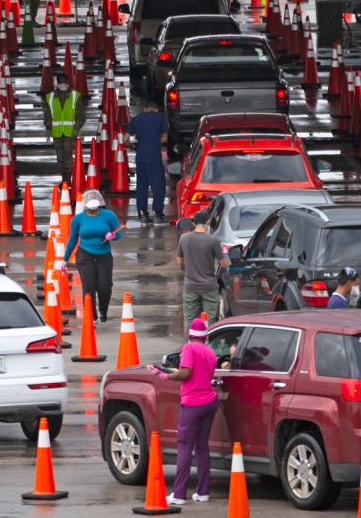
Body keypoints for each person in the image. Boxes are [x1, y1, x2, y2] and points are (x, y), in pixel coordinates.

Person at [155, 318, 219, 507]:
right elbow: (200, 373)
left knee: (184, 447)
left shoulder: (189, 348)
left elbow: (186, 373)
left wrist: (165, 375)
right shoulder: (210, 352)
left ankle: (179, 494)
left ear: (190, 335)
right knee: (202, 447)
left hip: (192, 404)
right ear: (205, 336)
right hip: (210, 402)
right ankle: (203, 491)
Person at [64, 189, 121, 323]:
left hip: (104, 256)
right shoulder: (78, 219)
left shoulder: (109, 215)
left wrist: (112, 236)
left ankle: (103, 310)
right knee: (89, 288)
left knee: (105, 287)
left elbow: (118, 233)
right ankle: (92, 316)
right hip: (84, 256)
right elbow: (72, 239)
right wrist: (64, 259)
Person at [176, 212, 230, 325]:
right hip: (209, 286)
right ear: (208, 222)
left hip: (190, 285)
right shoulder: (213, 241)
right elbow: (224, 264)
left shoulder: (184, 238)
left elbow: (179, 261)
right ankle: (207, 341)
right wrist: (226, 255)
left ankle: (190, 342)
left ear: (193, 223)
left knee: (189, 321)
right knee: (210, 320)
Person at [126, 100, 168, 223]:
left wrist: (134, 145)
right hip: (154, 157)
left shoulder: (137, 119)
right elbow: (164, 138)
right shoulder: (160, 118)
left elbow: (125, 138)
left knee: (142, 186)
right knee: (158, 186)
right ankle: (158, 214)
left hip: (140, 158)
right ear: (156, 109)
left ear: (145, 109)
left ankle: (143, 214)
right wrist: (155, 142)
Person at [43, 73, 85, 182]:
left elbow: (80, 115)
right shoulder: (50, 97)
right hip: (56, 133)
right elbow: (47, 115)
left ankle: (68, 179)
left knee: (68, 157)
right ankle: (64, 178)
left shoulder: (75, 96)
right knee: (60, 158)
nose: (62, 85)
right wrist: (48, 128)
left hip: (70, 132)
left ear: (68, 83)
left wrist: (76, 128)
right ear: (57, 83)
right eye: (60, 82)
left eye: (64, 82)